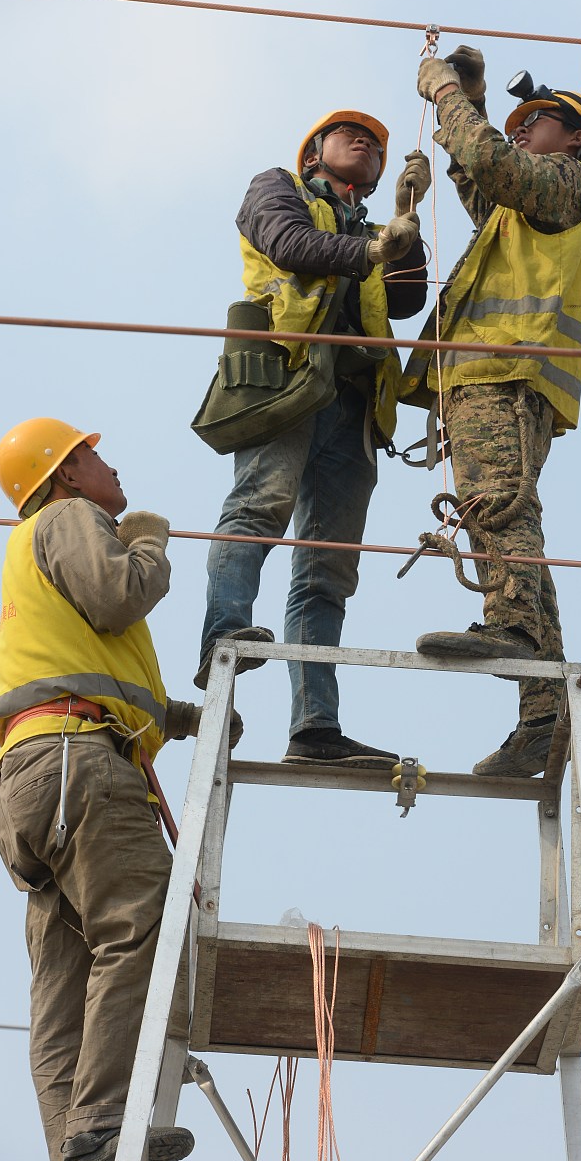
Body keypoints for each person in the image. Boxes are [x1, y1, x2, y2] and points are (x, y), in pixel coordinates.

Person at [0, 418, 239, 1161]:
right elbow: (120, 595)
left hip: (32, 780)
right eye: (92, 456)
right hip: (78, 766)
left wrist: (189, 718)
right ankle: (101, 1122)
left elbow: (96, 668)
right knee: (142, 927)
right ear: (63, 475)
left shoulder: (33, 555)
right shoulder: (68, 519)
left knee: (64, 982)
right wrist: (151, 539)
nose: (110, 466)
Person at [197, 109, 430, 769]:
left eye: (378, 144)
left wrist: (405, 222)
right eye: (349, 133)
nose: (367, 142)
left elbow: (406, 297)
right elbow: (289, 245)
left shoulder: (374, 227)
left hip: (352, 404)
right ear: (313, 153)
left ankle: (314, 727)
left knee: (326, 571)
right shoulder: (277, 189)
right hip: (288, 380)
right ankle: (224, 639)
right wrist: (373, 249)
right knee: (256, 511)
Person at [409, 48, 581, 777]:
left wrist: (443, 96)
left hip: (508, 365)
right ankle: (540, 712)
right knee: (509, 518)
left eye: (539, 123)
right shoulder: (525, 205)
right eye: (517, 125)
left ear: (576, 140)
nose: (523, 133)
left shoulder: (566, 184)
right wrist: (472, 97)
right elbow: (479, 171)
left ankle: (512, 629)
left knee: (497, 505)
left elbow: (491, 161)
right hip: (488, 368)